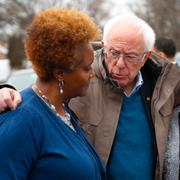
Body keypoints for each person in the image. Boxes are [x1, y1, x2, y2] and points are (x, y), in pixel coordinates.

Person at [1, 14, 180, 180]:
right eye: (114, 52)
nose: (119, 64)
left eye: (130, 56)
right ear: (104, 46)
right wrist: (5, 90)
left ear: (145, 57)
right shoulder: (28, 115)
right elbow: (38, 96)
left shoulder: (165, 81)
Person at [0, 7, 106, 179]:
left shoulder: (63, 112)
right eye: (86, 68)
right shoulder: (23, 120)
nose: (92, 74)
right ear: (59, 73)